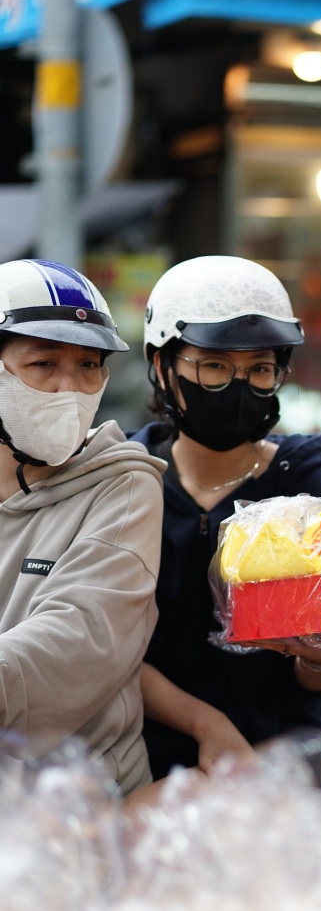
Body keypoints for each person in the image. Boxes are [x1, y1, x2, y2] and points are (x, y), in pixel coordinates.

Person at [131, 255, 321, 780]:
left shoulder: (309, 487)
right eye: (214, 366)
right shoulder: (126, 484)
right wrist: (208, 727)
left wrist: (320, 657)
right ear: (163, 364)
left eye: (259, 369)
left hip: (291, 781)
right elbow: (107, 653)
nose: (239, 386)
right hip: (153, 778)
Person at [0, 259, 165, 794]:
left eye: (89, 365)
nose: (69, 388)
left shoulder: (124, 486)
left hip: (80, 817)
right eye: (43, 364)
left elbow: (82, 641)